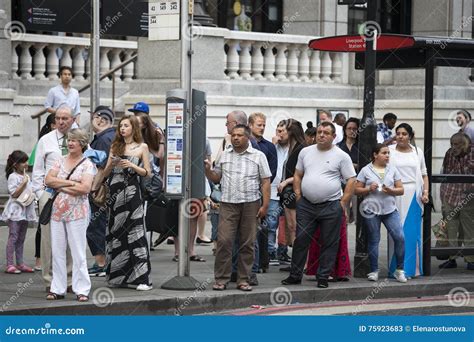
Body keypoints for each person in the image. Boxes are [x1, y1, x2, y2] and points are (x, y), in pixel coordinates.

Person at [282, 121, 356, 289]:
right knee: (301, 240)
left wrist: (343, 202)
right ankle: (295, 275)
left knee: (329, 242)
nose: (321, 135)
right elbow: (298, 174)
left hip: (331, 205)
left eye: (326, 133)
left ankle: (323, 276)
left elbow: (351, 179)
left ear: (333, 136)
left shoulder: (342, 156)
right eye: (319, 132)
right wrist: (299, 196)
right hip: (306, 205)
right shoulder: (305, 152)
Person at [205, 124, 271, 292]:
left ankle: (243, 279)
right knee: (224, 241)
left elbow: (265, 182)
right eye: (233, 135)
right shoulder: (225, 155)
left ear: (247, 137)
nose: (235, 138)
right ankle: (221, 279)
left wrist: (265, 205)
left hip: (251, 203)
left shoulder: (259, 156)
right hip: (228, 204)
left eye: (239, 135)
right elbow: (216, 177)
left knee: (247, 243)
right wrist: (207, 171)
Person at [100, 115, 153, 291]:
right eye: (120, 126)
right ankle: (117, 277)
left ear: (133, 129)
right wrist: (112, 161)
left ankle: (141, 278)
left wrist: (131, 166)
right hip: (114, 194)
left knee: (135, 233)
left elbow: (148, 173)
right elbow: (106, 172)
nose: (122, 129)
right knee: (116, 233)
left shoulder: (142, 147)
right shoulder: (115, 146)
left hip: (132, 194)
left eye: (126, 126)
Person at [45, 129, 96, 301]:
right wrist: (71, 183)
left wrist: (61, 186)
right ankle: (57, 288)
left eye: (74, 140)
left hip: (77, 212)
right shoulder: (60, 160)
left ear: (82, 143)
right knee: (57, 251)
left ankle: (82, 289)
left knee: (78, 251)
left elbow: (85, 188)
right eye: (69, 139)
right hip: (57, 211)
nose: (71, 143)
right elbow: (48, 180)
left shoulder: (88, 164)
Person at [32, 105, 77, 292]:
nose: (60, 121)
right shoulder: (46, 140)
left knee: (71, 238)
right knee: (49, 240)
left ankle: (68, 280)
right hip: (49, 196)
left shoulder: (79, 139)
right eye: (58, 118)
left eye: (65, 118)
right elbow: (37, 170)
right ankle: (49, 280)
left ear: (73, 120)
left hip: (73, 196)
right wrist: (39, 193)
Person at [355, 144, 407, 282]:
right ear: (375, 155)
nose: (387, 155)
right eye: (384, 153)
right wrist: (368, 189)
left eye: (388, 153)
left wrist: (391, 190)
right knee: (374, 239)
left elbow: (401, 190)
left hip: (390, 210)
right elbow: (356, 190)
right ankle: (374, 270)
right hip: (371, 210)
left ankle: (400, 270)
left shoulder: (393, 169)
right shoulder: (366, 170)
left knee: (400, 237)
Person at [388, 123, 429, 278]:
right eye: (398, 133)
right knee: (396, 234)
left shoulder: (417, 152)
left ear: (410, 136)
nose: (400, 136)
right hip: (394, 194)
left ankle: (412, 270)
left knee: (411, 235)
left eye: (404, 134)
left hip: (414, 195)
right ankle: (396, 270)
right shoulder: (389, 151)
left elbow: (424, 174)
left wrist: (426, 192)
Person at [246, 112, 277, 283]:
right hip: (246, 193)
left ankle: (260, 263)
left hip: (260, 191)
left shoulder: (269, 147)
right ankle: (252, 266)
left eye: (264, 125)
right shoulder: (245, 143)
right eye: (259, 124)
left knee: (262, 229)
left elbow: (270, 173)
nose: (262, 127)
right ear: (250, 125)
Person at [87, 106, 116, 277]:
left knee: (94, 226)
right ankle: (103, 261)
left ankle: (101, 263)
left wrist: (94, 187)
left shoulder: (104, 139)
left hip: (100, 190)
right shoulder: (110, 137)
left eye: (93, 118)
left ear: (100, 119)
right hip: (107, 189)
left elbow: (102, 167)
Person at [439, 133, 474, 270]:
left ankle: (471, 259)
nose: (454, 147)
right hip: (451, 194)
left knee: (469, 228)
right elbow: (444, 173)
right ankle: (452, 258)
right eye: (452, 144)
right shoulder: (449, 153)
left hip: (468, 196)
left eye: (457, 144)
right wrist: (442, 196)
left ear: (465, 144)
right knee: (451, 228)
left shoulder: (472, 153)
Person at [29, 113, 56, 272]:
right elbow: (35, 166)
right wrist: (39, 192)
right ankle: (39, 259)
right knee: (43, 224)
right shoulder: (45, 141)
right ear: (51, 125)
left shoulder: (68, 140)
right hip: (47, 189)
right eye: (55, 122)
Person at [277, 119, 306, 267]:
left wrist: (286, 181)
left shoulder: (301, 148)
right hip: (288, 193)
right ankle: (297, 262)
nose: (280, 133)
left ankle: (298, 263)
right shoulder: (291, 148)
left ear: (291, 132)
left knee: (295, 227)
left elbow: (303, 172)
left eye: (283, 130)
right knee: (290, 228)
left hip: (294, 192)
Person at [2, 150, 37, 274]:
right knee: (14, 237)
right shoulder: (13, 176)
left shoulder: (26, 176)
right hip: (15, 211)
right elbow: (14, 193)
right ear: (16, 164)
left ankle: (20, 263)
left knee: (21, 238)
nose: (26, 164)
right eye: (23, 162)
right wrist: (23, 183)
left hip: (25, 210)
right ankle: (10, 264)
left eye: (26, 161)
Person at [337, 117, 360, 223]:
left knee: (358, 217)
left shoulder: (362, 146)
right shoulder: (338, 147)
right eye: (349, 128)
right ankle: (343, 239)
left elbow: (366, 164)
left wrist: (349, 166)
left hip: (358, 182)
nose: (352, 131)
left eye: (354, 129)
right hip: (341, 184)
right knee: (343, 216)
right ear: (345, 130)